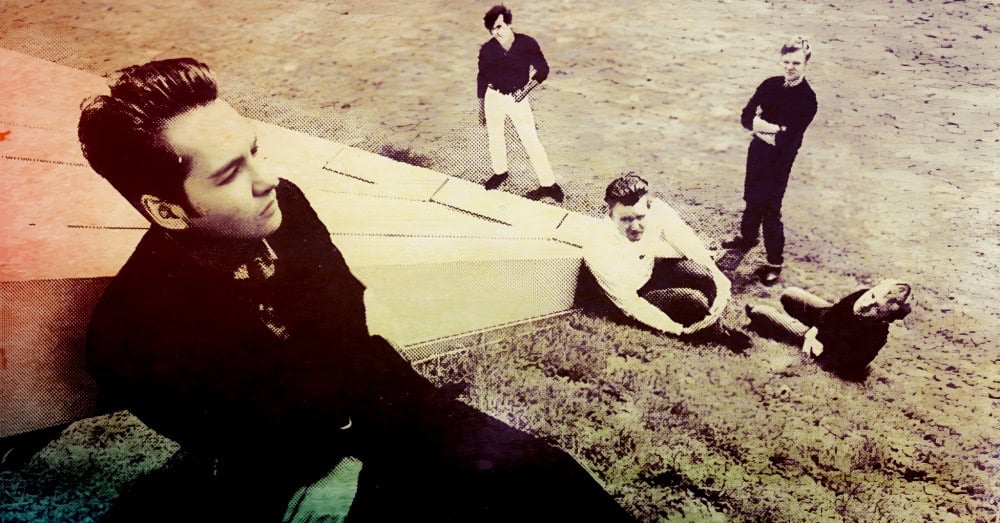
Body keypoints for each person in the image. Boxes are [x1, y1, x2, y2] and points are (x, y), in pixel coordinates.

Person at [78, 58, 634, 522]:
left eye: (254, 150)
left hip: (382, 400)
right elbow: (248, 438)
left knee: (546, 480)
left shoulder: (282, 206)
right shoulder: (135, 333)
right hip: (292, 468)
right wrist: (334, 466)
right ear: (165, 210)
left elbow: (344, 311)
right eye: (229, 174)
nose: (266, 177)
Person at [583, 174, 751, 351]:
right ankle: (715, 331)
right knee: (693, 301)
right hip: (628, 296)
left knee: (703, 274)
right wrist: (677, 330)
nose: (634, 227)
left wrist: (721, 284)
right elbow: (629, 302)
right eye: (625, 219)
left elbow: (691, 246)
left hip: (647, 272)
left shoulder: (658, 210)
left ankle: (710, 319)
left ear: (649, 206)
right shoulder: (597, 242)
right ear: (610, 214)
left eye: (640, 217)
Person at [722, 36, 818, 285]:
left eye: (796, 62)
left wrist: (762, 127)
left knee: (771, 209)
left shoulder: (808, 99)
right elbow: (745, 117)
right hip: (758, 153)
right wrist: (774, 128)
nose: (790, 67)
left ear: (806, 64)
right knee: (751, 198)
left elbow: (787, 139)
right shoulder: (769, 85)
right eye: (786, 61)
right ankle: (748, 238)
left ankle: (775, 262)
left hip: (780, 161)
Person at [477, 4, 564, 203]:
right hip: (493, 97)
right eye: (492, 29)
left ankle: (549, 185)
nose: (495, 32)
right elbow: (481, 77)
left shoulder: (526, 44)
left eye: (499, 27)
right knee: (494, 136)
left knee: (530, 140)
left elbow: (543, 70)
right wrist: (481, 106)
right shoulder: (488, 49)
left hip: (517, 99)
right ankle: (500, 172)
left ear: (508, 24)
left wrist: (524, 91)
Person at [745, 280, 912, 380]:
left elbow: (842, 363)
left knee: (761, 311)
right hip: (823, 324)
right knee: (791, 294)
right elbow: (835, 311)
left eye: (877, 306)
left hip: (824, 346)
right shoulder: (863, 294)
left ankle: (770, 318)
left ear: (886, 316)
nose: (868, 303)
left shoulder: (876, 336)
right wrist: (815, 329)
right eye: (872, 296)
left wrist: (810, 339)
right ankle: (802, 323)